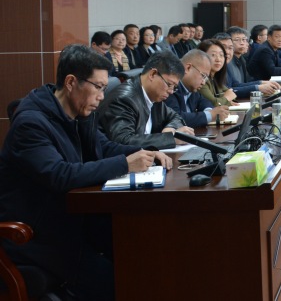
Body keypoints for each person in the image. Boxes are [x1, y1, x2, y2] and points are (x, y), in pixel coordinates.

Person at [0, 45, 170, 301]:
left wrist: (147, 153)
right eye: (98, 87)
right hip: (39, 238)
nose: (102, 96)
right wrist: (125, 164)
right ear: (71, 82)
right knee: (121, 283)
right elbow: (60, 175)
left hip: (75, 224)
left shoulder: (80, 113)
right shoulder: (31, 123)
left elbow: (104, 148)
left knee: (144, 254)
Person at [98, 50, 195, 149]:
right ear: (152, 74)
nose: (171, 91)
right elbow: (124, 141)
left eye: (174, 87)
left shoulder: (154, 96)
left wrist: (171, 128)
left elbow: (175, 116)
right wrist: (170, 138)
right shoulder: (124, 99)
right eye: (169, 84)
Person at [164, 49, 229, 127]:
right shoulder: (171, 87)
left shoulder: (192, 88)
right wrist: (210, 115)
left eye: (206, 78)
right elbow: (176, 117)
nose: (203, 82)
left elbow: (203, 101)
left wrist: (210, 111)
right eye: (203, 76)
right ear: (188, 68)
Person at [225, 26, 281, 97]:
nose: (242, 43)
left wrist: (261, 83)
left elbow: (243, 83)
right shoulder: (227, 62)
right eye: (237, 40)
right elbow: (232, 88)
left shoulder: (241, 59)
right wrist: (258, 87)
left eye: (244, 39)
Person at [198, 39, 237, 108]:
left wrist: (225, 100)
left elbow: (231, 94)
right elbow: (213, 104)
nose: (218, 59)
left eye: (221, 55)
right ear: (201, 56)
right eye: (213, 55)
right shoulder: (201, 79)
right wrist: (226, 99)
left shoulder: (214, 77)